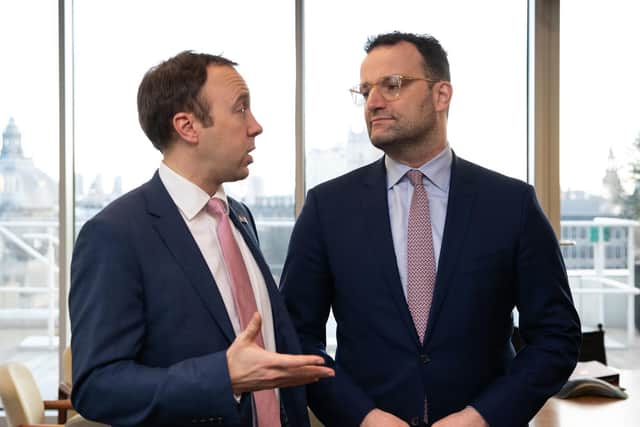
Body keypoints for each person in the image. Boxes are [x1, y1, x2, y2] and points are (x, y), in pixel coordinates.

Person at [280, 32, 581, 427]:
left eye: (392, 85)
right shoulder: (327, 207)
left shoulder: (512, 204)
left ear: (441, 95)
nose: (373, 102)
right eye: (365, 90)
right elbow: (295, 340)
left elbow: (556, 337)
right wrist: (362, 416)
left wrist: (484, 417)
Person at [69, 51, 334, 427]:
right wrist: (222, 376)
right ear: (187, 126)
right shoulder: (115, 235)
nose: (256, 126)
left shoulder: (240, 216)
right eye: (241, 109)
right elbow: (97, 387)